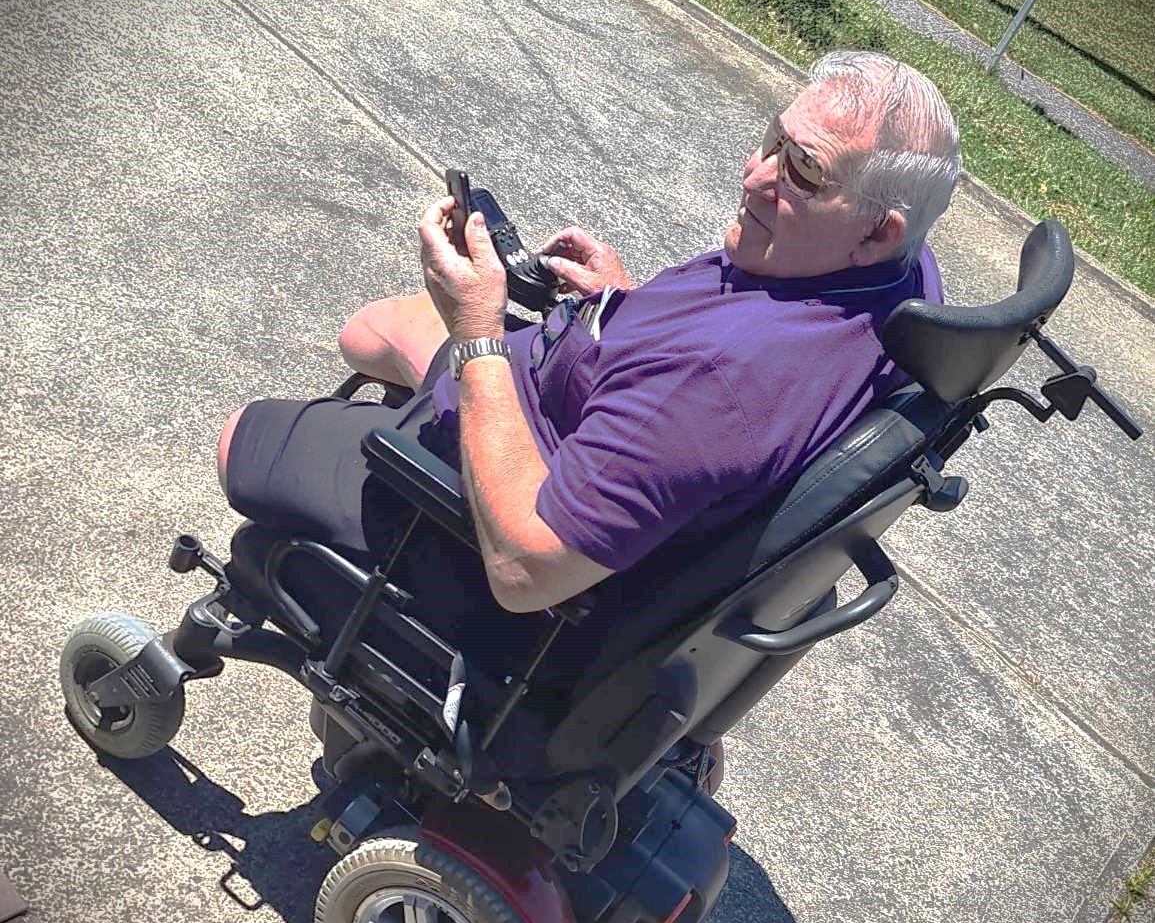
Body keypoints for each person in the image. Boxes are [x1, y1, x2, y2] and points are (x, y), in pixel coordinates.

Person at [217, 51, 961, 619]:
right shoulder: (898, 277)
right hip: (581, 396)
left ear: (876, 229)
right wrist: (628, 306)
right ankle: (399, 409)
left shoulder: (718, 385)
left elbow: (525, 571)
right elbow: (694, 405)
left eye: (801, 171)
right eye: (773, 137)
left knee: (241, 436)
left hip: (506, 509)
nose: (753, 174)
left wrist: (476, 330)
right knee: (370, 330)